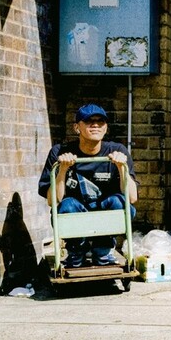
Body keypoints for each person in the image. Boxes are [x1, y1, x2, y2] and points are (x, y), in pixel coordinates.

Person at [38, 103, 137, 268]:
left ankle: (103, 250)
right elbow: (52, 200)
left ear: (106, 128)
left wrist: (121, 167)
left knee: (119, 202)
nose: (95, 125)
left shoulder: (117, 150)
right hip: (77, 211)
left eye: (100, 121)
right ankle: (76, 251)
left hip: (105, 210)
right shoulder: (59, 152)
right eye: (89, 121)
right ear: (77, 127)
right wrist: (63, 170)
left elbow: (132, 198)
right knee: (67, 205)